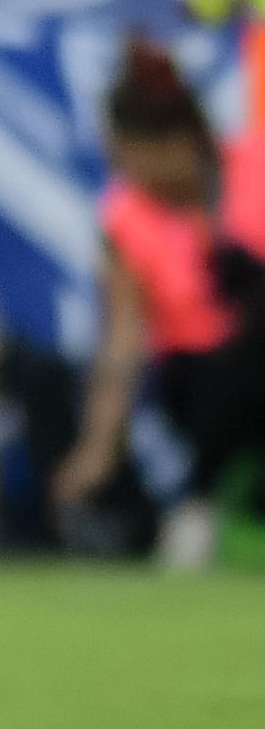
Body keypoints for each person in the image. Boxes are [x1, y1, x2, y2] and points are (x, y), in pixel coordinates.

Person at [54, 43, 264, 568]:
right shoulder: (126, 216)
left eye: (123, 152)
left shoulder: (252, 173)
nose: (121, 168)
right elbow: (122, 344)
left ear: (171, 144)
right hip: (194, 390)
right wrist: (97, 448)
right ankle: (199, 504)